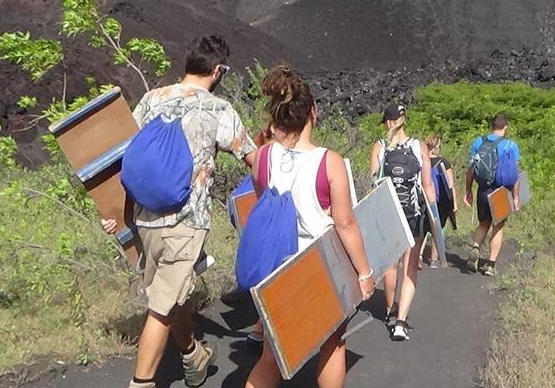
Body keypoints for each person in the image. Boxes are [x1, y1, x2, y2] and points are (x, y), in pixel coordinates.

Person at [102, 35, 258, 388]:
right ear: (218, 71)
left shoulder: (151, 98)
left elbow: (124, 156)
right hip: (185, 223)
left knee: (172, 294)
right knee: (160, 308)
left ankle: (192, 355)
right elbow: (253, 159)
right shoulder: (218, 110)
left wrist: (114, 211)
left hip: (145, 219)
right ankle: (141, 383)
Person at [246, 65, 375, 388]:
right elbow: (345, 224)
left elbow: (267, 207)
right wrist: (364, 274)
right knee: (332, 344)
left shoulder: (261, 158)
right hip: (318, 266)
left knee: (271, 357)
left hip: (275, 269)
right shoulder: (328, 161)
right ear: (312, 113)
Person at [369, 102, 436, 341]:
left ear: (387, 122)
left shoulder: (379, 146)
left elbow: (373, 187)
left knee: (390, 264)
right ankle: (401, 322)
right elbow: (427, 185)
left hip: (389, 213)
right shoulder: (419, 146)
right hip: (414, 213)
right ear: (404, 119)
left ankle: (390, 309)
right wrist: (435, 218)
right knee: (411, 264)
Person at [464, 114, 522, 277]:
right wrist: (516, 197)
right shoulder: (511, 145)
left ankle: (476, 246)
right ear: (506, 127)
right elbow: (514, 174)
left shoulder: (479, 142)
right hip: (501, 192)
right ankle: (490, 265)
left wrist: (468, 190)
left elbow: (470, 170)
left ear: (491, 126)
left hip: (483, 189)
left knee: (483, 223)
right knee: (498, 227)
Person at [421, 134, 458, 268]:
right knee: (438, 228)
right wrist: (454, 203)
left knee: (422, 229)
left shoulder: (421, 161)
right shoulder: (443, 162)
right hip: (440, 200)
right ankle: (434, 260)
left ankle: (418, 256)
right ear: (437, 146)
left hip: (423, 198)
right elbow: (450, 184)